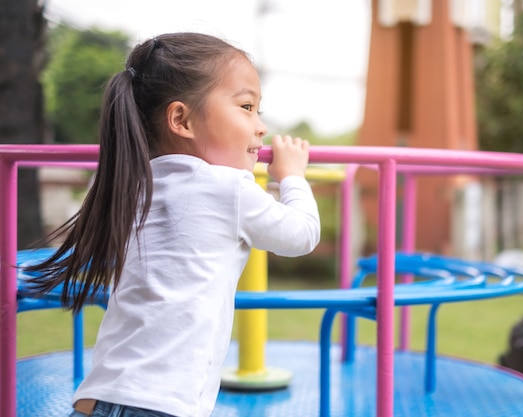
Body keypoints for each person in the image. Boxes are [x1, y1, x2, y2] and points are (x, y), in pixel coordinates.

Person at [25, 32, 320, 417]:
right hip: (160, 405)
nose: (261, 126)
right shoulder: (227, 188)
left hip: (96, 398)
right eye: (247, 107)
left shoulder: (131, 183)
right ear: (181, 119)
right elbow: (301, 236)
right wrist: (292, 176)